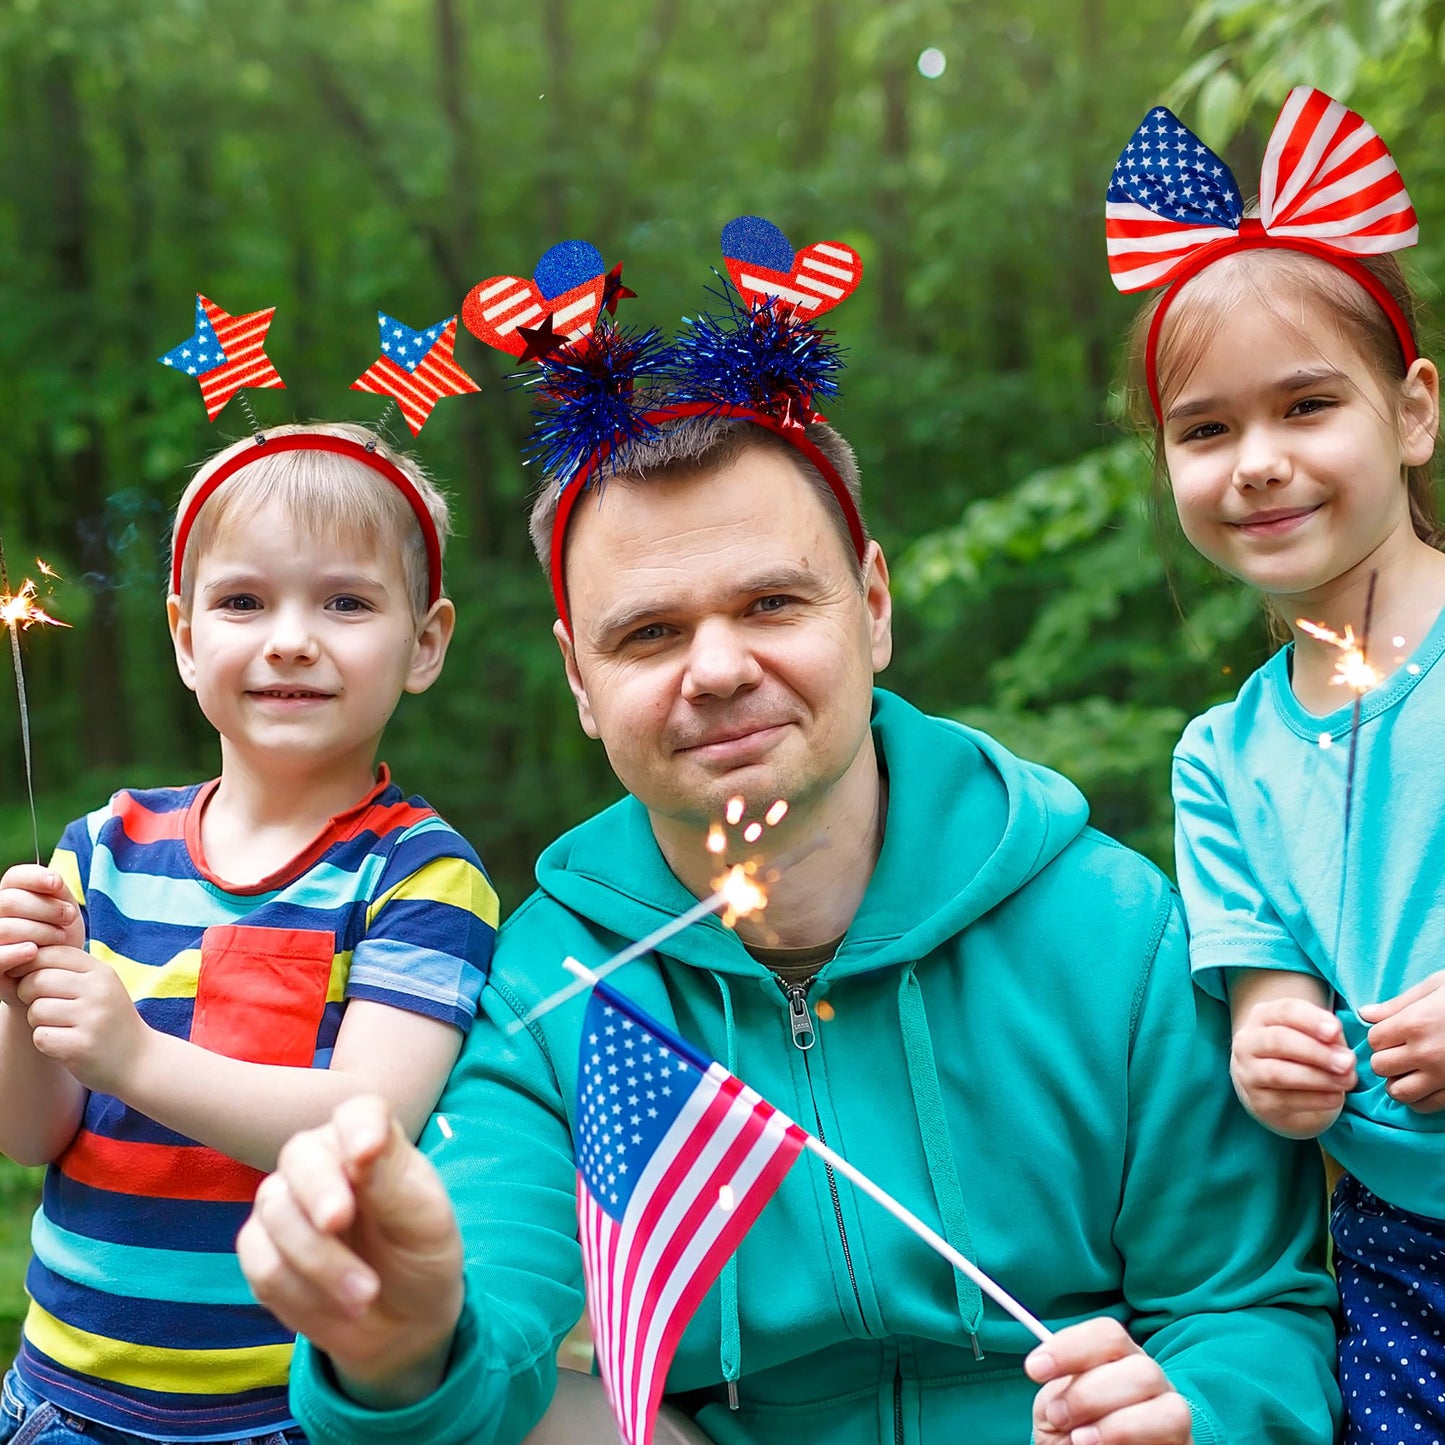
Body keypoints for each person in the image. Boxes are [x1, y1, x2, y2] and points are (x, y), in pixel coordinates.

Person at [238, 402, 1340, 1444]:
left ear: (871, 604)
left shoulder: (1113, 926)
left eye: (769, 603)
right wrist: (399, 1344)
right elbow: (484, 1330)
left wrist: (1197, 1411)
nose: (717, 669)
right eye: (650, 632)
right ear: (580, 680)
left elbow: (1245, 1305)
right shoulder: (552, 988)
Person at [0, 421, 499, 1444]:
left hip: (283, 1413)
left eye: (346, 602)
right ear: (185, 638)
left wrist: (131, 1052)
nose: (289, 637)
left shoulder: (419, 873)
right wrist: (16, 1008)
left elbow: (369, 1121)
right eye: (242, 601)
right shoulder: (100, 849)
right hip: (63, 1401)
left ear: (427, 641)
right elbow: (29, 1132)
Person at [1107, 88, 1445, 1443]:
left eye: (1308, 405)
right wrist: (1270, 1047)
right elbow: (1262, 979)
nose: (1258, 463)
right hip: (1393, 1243)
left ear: (1412, 412)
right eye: (1205, 429)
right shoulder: (1222, 758)